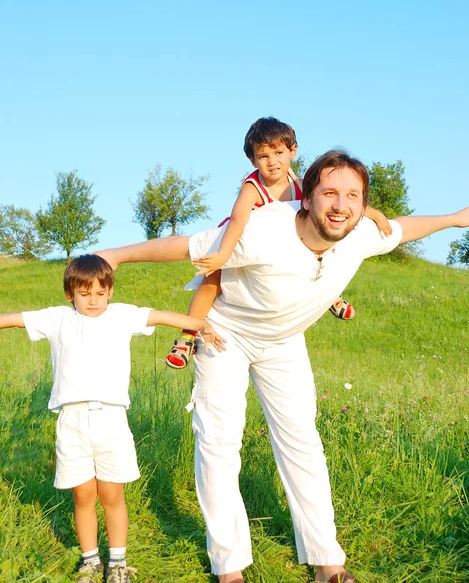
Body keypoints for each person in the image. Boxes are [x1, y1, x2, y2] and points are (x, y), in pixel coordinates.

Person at [97, 150, 469, 583]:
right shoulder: (262, 230)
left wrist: (458, 218)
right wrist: (116, 256)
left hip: (284, 341)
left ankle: (327, 562)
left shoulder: (361, 232)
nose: (341, 205)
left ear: (363, 206)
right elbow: (188, 246)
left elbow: (406, 229)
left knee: (301, 442)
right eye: (330, 192)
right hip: (226, 333)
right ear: (306, 198)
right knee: (219, 445)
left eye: (352, 196)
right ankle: (229, 566)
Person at [0, 254, 225, 583]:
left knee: (112, 494)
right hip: (72, 420)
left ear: (110, 291)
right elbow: (11, 319)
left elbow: (161, 316)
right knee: (82, 495)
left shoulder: (122, 316)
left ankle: (117, 562)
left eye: (101, 293)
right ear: (69, 293)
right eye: (84, 293)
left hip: (112, 420)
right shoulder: (55, 319)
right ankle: (90, 560)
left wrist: (199, 324)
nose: (93, 301)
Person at [166, 117, 392, 369]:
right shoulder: (252, 188)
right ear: (252, 160)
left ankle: (330, 295)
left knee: (323, 246)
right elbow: (238, 221)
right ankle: (186, 337)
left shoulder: (301, 182)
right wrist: (222, 255)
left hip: (288, 248)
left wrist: (373, 213)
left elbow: (333, 199)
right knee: (211, 284)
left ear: (293, 151)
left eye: (279, 152)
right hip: (241, 244)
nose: (272, 161)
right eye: (263, 156)